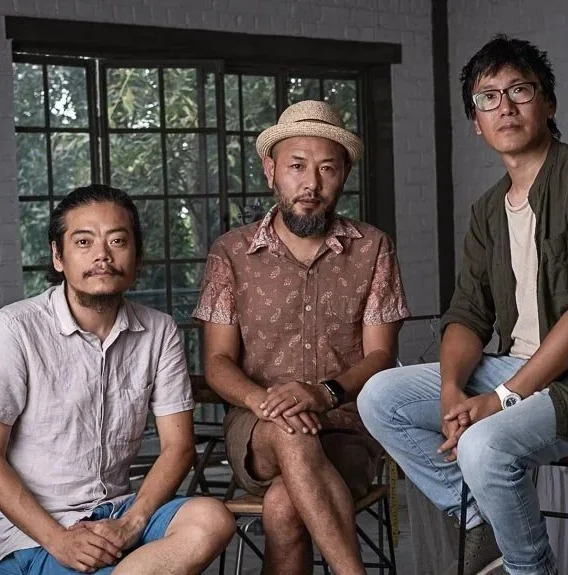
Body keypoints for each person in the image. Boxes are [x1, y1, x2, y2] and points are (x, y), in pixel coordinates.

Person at [358, 35, 568, 575]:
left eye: (520, 90)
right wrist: (451, 392)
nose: (504, 106)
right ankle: (482, 524)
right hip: (514, 370)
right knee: (379, 397)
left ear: (548, 103)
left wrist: (501, 399)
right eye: (488, 97)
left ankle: (531, 568)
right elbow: (467, 314)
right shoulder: (488, 211)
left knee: (484, 446)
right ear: (475, 121)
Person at [0, 185, 235, 575]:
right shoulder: (13, 329)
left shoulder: (159, 330)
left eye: (118, 241)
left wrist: (131, 524)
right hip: (36, 536)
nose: (102, 256)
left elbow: (179, 448)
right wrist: (60, 540)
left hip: (117, 512)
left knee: (213, 518)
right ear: (59, 256)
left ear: (137, 256)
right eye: (83, 241)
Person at [193, 100, 409, 575]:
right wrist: (266, 402)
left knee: (285, 506)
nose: (310, 184)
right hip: (256, 426)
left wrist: (321, 394)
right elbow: (218, 363)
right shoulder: (231, 253)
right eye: (296, 167)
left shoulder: (373, 248)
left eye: (327, 169)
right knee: (291, 433)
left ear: (344, 174)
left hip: (346, 429)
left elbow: (380, 355)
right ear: (271, 170)